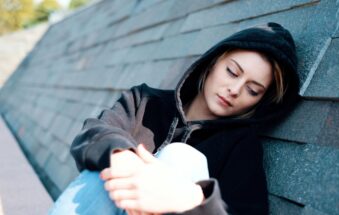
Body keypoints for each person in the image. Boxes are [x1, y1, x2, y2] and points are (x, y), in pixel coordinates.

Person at [48, 22, 300, 215]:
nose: (235, 89)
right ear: (213, 62)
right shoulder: (146, 101)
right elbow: (93, 133)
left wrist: (194, 198)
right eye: (232, 72)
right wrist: (124, 158)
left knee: (182, 156)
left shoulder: (241, 146)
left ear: (261, 100)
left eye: (252, 90)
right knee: (106, 162)